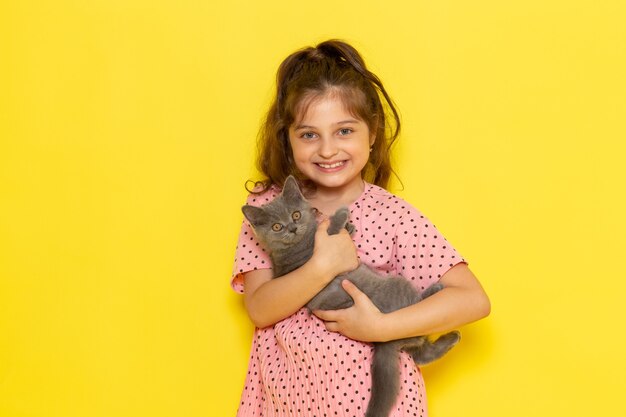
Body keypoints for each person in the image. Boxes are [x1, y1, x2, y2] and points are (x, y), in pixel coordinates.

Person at [231, 39, 490, 417]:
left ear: (372, 134)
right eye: (308, 134)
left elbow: (472, 299)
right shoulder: (269, 208)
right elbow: (260, 308)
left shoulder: (393, 215)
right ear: (287, 139)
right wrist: (323, 266)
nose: (327, 150)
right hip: (289, 403)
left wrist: (381, 328)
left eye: (345, 131)